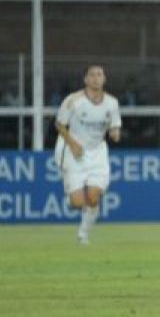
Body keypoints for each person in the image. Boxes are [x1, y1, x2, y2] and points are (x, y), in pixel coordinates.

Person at [54, 64, 122, 244]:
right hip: (75, 152)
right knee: (77, 203)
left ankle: (83, 235)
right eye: (92, 75)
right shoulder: (73, 101)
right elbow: (59, 124)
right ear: (85, 79)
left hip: (97, 153)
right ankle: (73, 194)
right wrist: (73, 143)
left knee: (93, 197)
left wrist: (115, 133)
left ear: (104, 79)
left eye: (99, 74)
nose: (96, 78)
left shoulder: (112, 103)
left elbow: (114, 127)